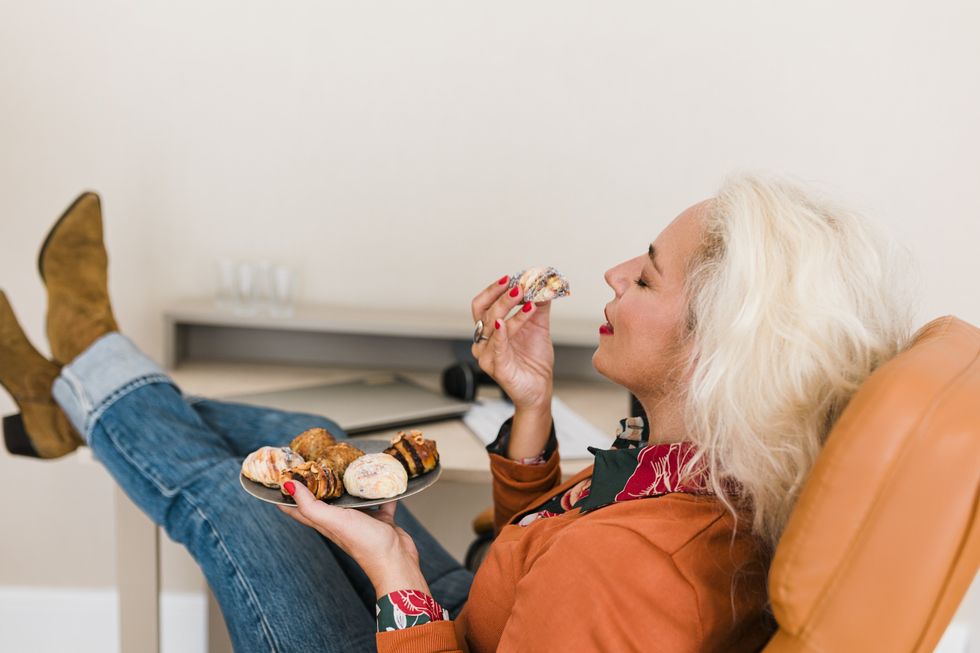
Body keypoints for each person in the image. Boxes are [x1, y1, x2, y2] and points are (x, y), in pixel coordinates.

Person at [0, 174, 914, 652]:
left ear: (721, 345)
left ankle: (84, 365)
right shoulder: (710, 474)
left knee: (239, 494)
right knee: (288, 442)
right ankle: (78, 392)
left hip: (439, 635)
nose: (611, 275)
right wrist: (531, 403)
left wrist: (393, 559)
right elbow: (543, 565)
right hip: (479, 616)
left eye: (646, 271)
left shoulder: (632, 571)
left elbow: (583, 576)